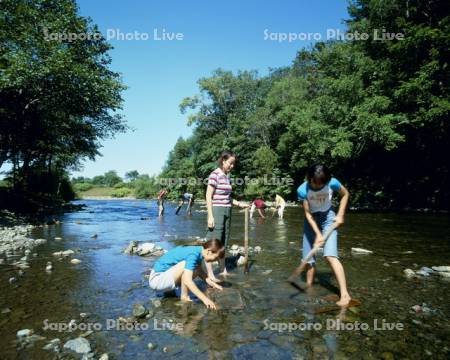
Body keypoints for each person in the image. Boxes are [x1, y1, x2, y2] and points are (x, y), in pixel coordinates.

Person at [296, 164, 351, 306]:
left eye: (321, 184)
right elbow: (308, 214)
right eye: (315, 183)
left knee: (330, 255)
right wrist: (317, 234)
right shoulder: (302, 190)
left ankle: (345, 295)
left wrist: (340, 214)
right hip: (311, 220)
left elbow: (345, 194)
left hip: (329, 217)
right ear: (309, 179)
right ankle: (309, 287)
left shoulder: (332, 182)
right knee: (308, 257)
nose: (318, 186)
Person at [205, 151, 248, 281]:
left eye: (233, 164)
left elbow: (227, 197)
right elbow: (208, 195)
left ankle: (223, 270)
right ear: (223, 161)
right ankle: (209, 274)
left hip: (228, 211)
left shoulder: (227, 176)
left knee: (223, 242)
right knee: (214, 243)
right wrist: (210, 216)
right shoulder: (215, 174)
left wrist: (239, 204)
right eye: (230, 163)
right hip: (217, 211)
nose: (232, 166)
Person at [148, 239, 224, 309]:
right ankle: (184, 296)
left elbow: (200, 272)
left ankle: (173, 291)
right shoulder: (193, 254)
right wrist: (205, 299)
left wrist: (214, 284)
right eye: (216, 258)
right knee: (186, 266)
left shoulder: (198, 251)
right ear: (209, 251)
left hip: (164, 277)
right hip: (156, 280)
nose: (215, 261)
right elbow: (188, 281)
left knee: (195, 269)